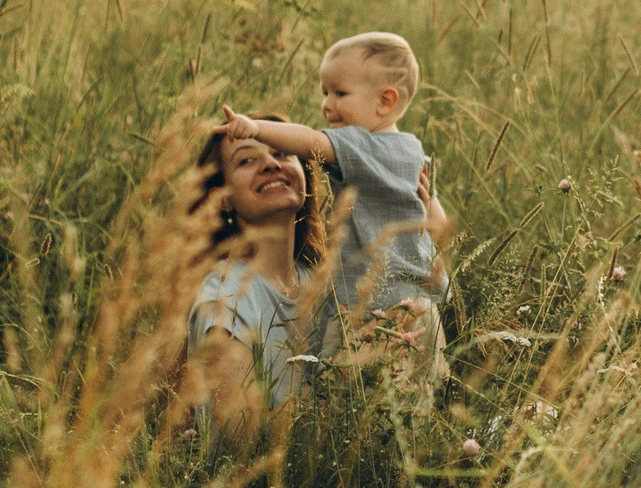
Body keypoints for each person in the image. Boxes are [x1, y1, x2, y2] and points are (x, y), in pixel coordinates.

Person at [220, 31, 451, 382]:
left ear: (385, 101)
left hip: (376, 313)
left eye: (340, 93)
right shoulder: (413, 152)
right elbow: (437, 227)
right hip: (421, 309)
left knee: (347, 400)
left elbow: (312, 141)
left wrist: (256, 129)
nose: (327, 105)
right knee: (418, 406)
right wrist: (430, 199)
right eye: (325, 92)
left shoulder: (361, 145)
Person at [179, 116, 332, 433]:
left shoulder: (320, 278)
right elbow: (243, 435)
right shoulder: (223, 302)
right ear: (223, 199)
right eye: (247, 160)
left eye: (281, 153)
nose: (270, 164)